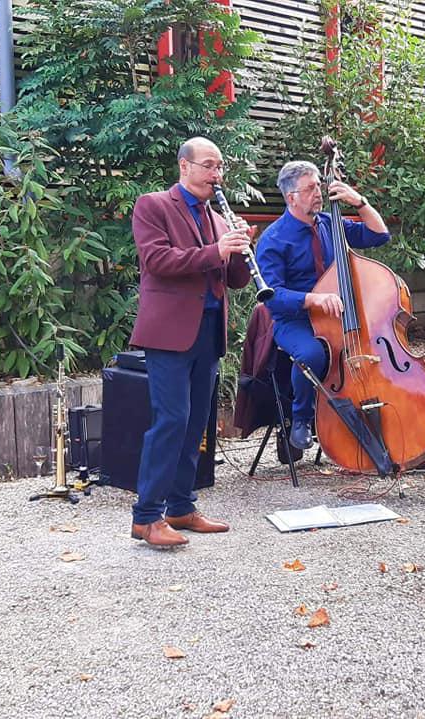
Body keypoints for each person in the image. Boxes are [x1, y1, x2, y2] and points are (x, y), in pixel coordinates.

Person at [129, 137, 253, 547]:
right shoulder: (154, 205)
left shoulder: (218, 218)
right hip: (168, 333)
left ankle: (181, 506)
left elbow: (233, 279)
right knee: (172, 420)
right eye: (209, 166)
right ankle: (146, 517)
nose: (216, 175)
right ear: (184, 166)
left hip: (208, 332)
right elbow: (157, 261)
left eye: (220, 167)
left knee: (196, 422)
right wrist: (215, 250)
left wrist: (238, 252)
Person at [255, 160, 391, 450]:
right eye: (310, 188)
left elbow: (380, 236)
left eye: (318, 185)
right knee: (312, 353)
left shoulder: (331, 223)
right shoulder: (273, 240)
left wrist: (360, 202)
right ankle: (302, 418)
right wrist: (313, 299)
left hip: (340, 315)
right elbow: (272, 295)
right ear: (291, 197)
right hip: (295, 319)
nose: (318, 192)